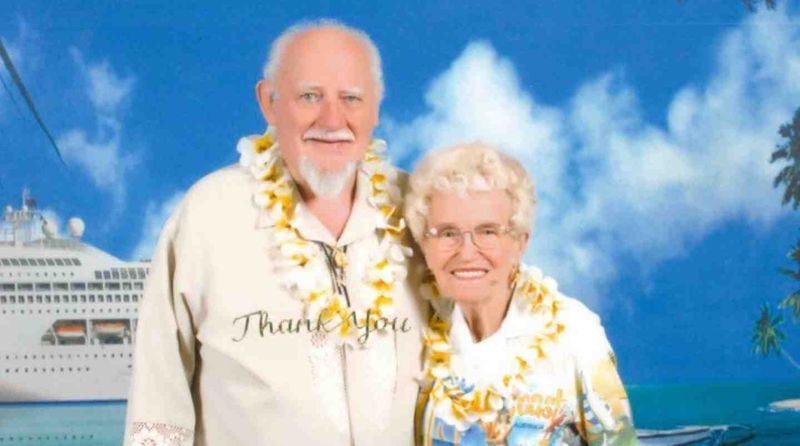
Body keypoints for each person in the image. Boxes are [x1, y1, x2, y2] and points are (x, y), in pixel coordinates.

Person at [123, 20, 427, 446]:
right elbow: (160, 393)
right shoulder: (209, 214)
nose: (332, 119)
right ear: (269, 102)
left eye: (352, 98)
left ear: (376, 107)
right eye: (309, 96)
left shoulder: (421, 208)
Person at [405, 143, 638, 445]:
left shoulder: (572, 332)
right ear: (425, 243)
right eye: (448, 233)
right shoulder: (419, 334)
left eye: (487, 231)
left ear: (519, 241)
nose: (466, 252)